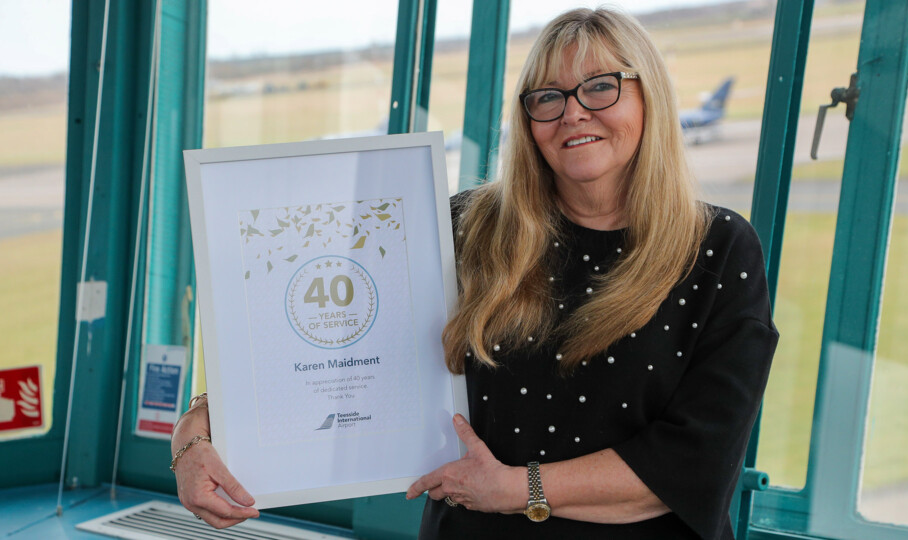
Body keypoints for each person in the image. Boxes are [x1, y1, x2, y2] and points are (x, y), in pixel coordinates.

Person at [172, 8, 777, 540]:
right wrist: (194, 433)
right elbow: (324, 335)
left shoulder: (719, 249)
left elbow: (695, 464)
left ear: (650, 96)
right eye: (547, 97)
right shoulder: (462, 226)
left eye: (600, 87)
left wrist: (516, 489)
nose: (572, 113)